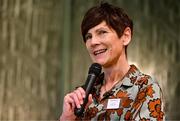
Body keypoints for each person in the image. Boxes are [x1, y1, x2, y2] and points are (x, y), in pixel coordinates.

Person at [59, 2, 165, 121]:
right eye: (88, 36)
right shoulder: (84, 94)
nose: (93, 42)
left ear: (125, 36)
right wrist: (66, 118)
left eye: (102, 32)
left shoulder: (145, 88)